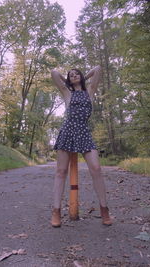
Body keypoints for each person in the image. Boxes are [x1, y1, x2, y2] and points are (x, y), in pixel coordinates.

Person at [50, 66, 112, 227]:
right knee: (61, 171)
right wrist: (67, 80)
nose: (74, 75)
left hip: (84, 132)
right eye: (71, 75)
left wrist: (82, 77)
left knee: (96, 169)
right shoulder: (67, 93)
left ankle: (104, 209)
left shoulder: (90, 91)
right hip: (68, 131)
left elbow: (98, 69)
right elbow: (54, 73)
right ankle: (56, 211)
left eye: (77, 74)